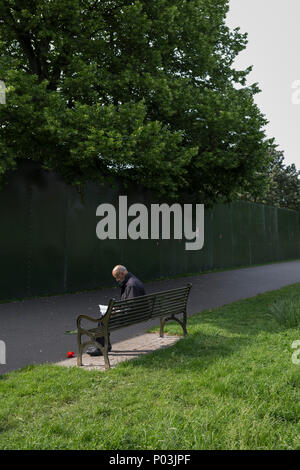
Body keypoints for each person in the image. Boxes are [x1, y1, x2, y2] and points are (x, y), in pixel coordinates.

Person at [87, 265, 146, 356]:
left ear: (122, 274)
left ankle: (101, 347)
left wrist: (118, 311)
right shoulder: (132, 281)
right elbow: (131, 303)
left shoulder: (131, 284)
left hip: (134, 315)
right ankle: (104, 345)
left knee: (104, 318)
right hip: (139, 313)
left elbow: (132, 306)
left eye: (117, 277)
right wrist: (118, 308)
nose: (117, 280)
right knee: (106, 314)